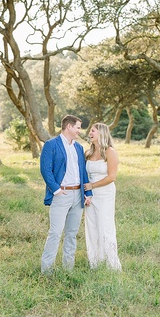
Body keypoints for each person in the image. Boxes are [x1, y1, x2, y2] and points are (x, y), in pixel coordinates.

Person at [40, 115, 92, 273]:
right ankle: (47, 271)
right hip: (61, 194)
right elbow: (45, 170)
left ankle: (68, 269)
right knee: (55, 233)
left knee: (72, 233)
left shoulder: (78, 148)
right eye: (78, 127)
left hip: (78, 195)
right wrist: (56, 190)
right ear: (68, 127)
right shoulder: (51, 145)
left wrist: (87, 192)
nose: (79, 131)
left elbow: (82, 171)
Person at [83, 122, 122, 270]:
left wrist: (92, 186)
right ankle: (95, 262)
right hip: (91, 195)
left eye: (93, 131)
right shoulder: (88, 152)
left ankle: (112, 264)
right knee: (91, 226)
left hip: (105, 193)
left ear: (102, 133)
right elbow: (85, 176)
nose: (90, 133)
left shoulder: (110, 152)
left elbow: (112, 177)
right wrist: (87, 193)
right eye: (90, 131)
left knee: (105, 226)